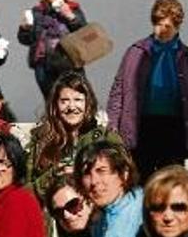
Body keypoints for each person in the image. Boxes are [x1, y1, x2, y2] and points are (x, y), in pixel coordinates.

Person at [107, 0, 188, 180]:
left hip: (175, 129)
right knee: (140, 180)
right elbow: (118, 90)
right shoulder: (135, 52)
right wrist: (112, 126)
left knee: (171, 181)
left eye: (167, 26)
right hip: (142, 126)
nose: (161, 30)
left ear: (177, 26)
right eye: (158, 24)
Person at [27, 71, 121, 200]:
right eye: (64, 101)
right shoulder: (40, 140)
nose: (71, 107)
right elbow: (25, 193)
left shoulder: (106, 138)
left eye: (78, 100)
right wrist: (54, 175)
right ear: (55, 105)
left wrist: (84, 174)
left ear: (88, 103)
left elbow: (122, 182)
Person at [74, 140, 143, 237]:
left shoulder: (141, 211)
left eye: (101, 171)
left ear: (123, 174)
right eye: (87, 173)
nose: (94, 182)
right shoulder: (102, 217)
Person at [17, 0, 87, 98]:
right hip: (43, 63)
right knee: (51, 100)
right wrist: (24, 28)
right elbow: (26, 40)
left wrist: (70, 16)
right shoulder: (37, 12)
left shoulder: (73, 8)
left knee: (74, 97)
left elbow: (84, 32)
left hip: (69, 62)